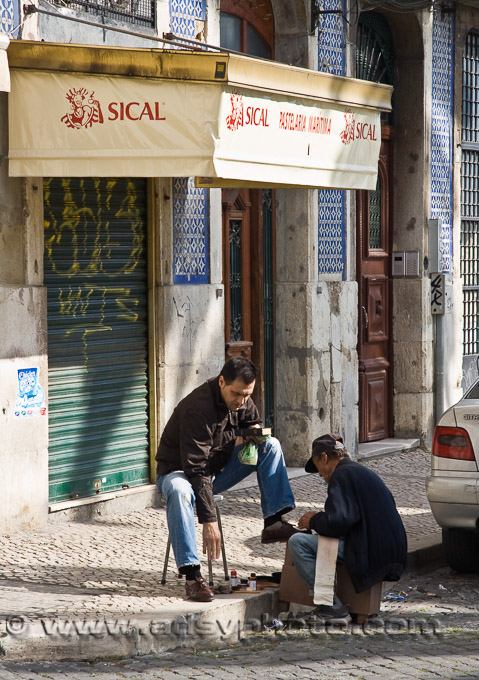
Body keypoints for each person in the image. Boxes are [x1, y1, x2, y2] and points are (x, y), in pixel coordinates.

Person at [156, 357, 298, 602]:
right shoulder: (198, 409)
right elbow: (196, 470)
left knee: (270, 445)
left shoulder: (241, 399)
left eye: (247, 395)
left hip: (215, 470)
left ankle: (273, 521)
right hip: (178, 472)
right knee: (181, 492)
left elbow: (253, 422)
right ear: (221, 382)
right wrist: (208, 519)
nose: (241, 401)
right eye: (236, 394)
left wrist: (254, 434)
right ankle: (192, 576)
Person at [288, 433, 407, 621]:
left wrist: (313, 521)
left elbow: (340, 522)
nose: (319, 474)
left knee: (298, 542)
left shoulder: (341, 475)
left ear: (324, 458)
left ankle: (331, 606)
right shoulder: (360, 471)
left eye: (317, 466)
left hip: (371, 550)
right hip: (393, 551)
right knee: (326, 542)